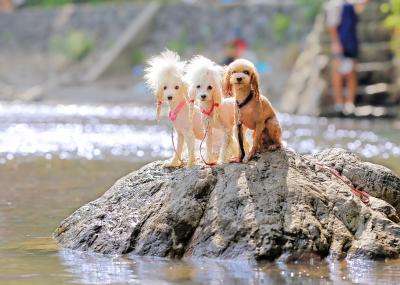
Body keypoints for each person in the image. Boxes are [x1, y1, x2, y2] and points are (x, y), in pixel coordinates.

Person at [326, 0, 367, 115]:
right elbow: (332, 27)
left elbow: (360, 7)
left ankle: (350, 103)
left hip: (351, 42)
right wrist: (336, 43)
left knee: (351, 73)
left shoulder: (352, 3)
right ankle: (339, 103)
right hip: (340, 42)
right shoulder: (334, 5)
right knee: (338, 73)